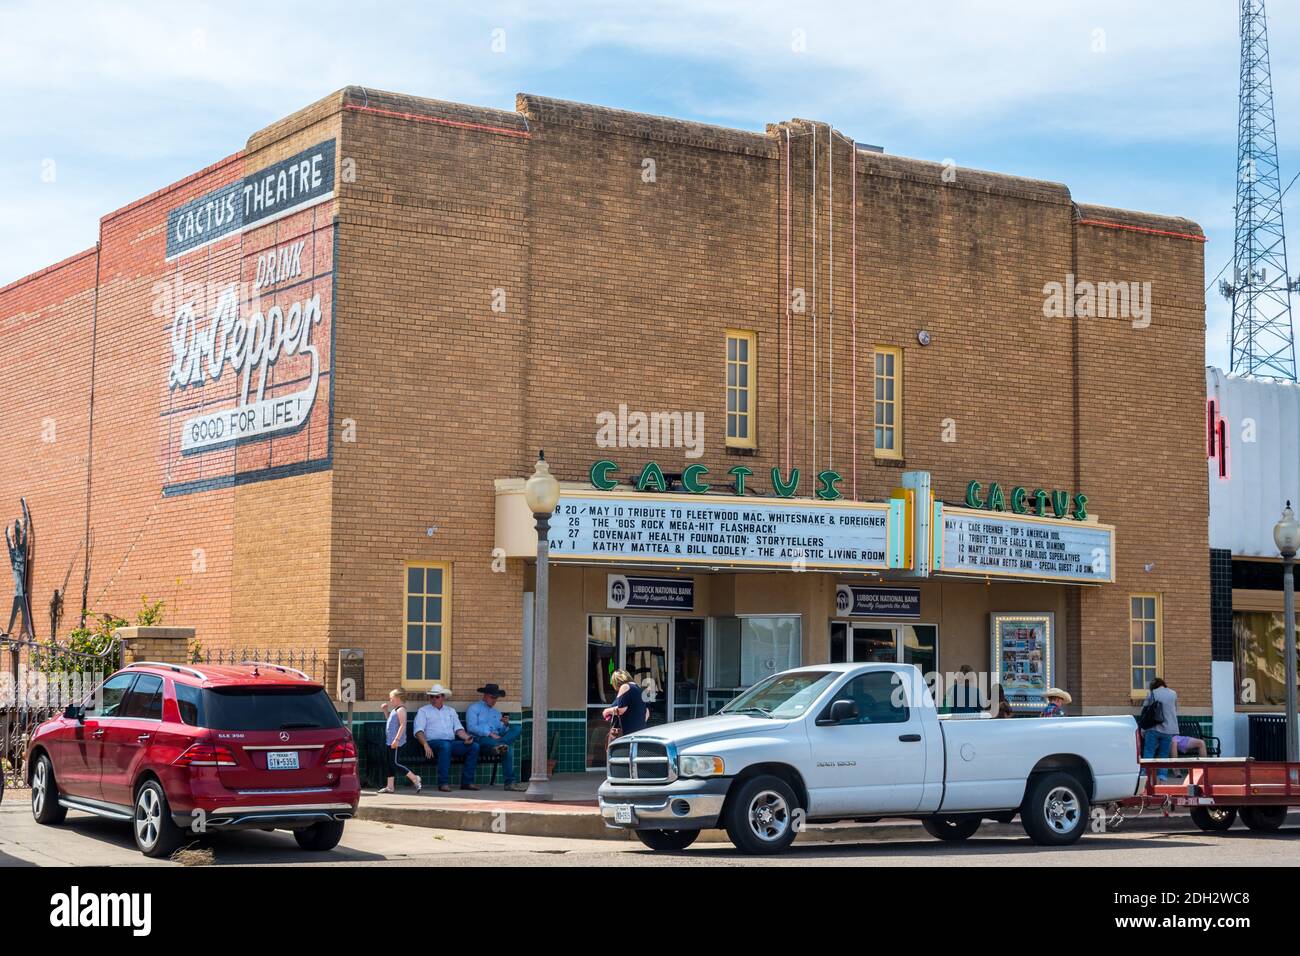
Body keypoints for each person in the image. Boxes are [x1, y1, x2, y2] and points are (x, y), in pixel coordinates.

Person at [413, 684, 480, 792]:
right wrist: (425, 744)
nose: (434, 699)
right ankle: (443, 783)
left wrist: (467, 738)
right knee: (445, 746)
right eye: (431, 697)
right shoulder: (423, 711)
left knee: (474, 746)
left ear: (443, 697)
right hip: (432, 743)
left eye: (437, 697)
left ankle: (467, 782)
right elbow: (418, 731)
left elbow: (458, 729)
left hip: (450, 743)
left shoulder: (451, 711)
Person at [466, 683, 526, 792]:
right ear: (485, 695)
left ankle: (500, 747)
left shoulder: (497, 713)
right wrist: (489, 734)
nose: (494, 700)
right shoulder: (474, 708)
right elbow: (471, 727)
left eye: (496, 698)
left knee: (516, 729)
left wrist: (506, 725)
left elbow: (500, 731)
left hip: (496, 741)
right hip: (481, 740)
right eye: (492, 697)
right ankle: (510, 782)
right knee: (506, 748)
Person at [378, 689, 422, 794]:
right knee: (389, 763)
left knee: (395, 763)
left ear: (397, 699)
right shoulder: (395, 710)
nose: (390, 700)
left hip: (396, 742)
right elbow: (390, 720)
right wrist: (385, 711)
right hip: (390, 741)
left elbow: (403, 724)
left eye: (391, 698)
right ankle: (390, 787)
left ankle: (415, 778)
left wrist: (397, 739)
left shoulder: (401, 709)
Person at [1142, 677, 1179, 781]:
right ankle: (1162, 776)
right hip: (1169, 729)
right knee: (1164, 753)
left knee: (1149, 751)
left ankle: (1145, 775)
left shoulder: (1152, 693)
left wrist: (1143, 728)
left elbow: (1145, 710)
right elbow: (1175, 710)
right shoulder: (1173, 693)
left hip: (1153, 728)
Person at [602, 669, 648, 744]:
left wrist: (607, 711)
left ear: (617, 681)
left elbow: (621, 709)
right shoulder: (639, 689)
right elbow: (647, 713)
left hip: (626, 734)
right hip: (639, 732)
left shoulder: (625, 686)